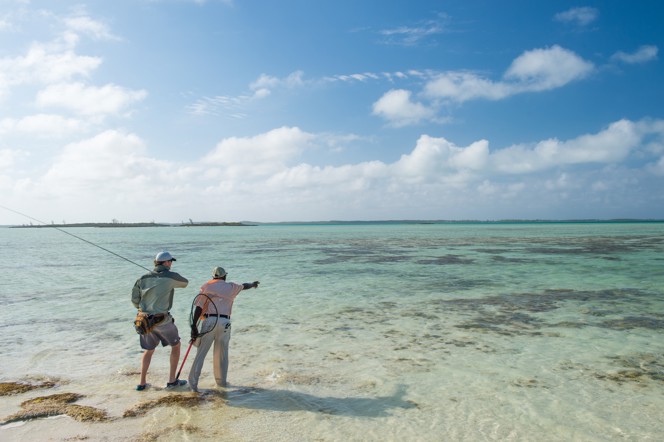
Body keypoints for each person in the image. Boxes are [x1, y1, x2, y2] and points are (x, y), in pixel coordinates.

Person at [188, 266, 259, 392]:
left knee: (201, 354)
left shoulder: (207, 286)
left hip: (210, 321)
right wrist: (253, 284)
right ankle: (221, 384)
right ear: (224, 276)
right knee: (222, 354)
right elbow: (244, 285)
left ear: (213, 277)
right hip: (225, 322)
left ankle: (193, 385)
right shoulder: (231, 287)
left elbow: (198, 308)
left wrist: (194, 326)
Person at [131, 250, 189, 391]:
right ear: (167, 263)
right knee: (176, 346)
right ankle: (171, 381)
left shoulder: (142, 278)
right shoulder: (170, 276)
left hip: (144, 320)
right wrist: (168, 275)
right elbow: (185, 283)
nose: (171, 264)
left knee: (149, 350)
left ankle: (142, 383)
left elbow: (135, 300)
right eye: (171, 262)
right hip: (163, 321)